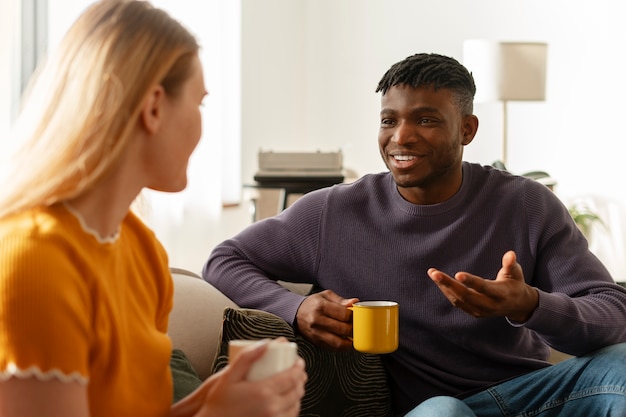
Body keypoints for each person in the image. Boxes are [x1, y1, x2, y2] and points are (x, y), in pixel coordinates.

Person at [203, 52, 626, 416]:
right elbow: (224, 260)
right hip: (432, 407)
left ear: (467, 129)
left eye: (425, 120)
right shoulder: (334, 212)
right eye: (390, 120)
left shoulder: (526, 205)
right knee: (444, 412)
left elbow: (612, 312)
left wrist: (531, 304)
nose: (401, 137)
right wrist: (294, 308)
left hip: (531, 395)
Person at [0, 1, 307, 416]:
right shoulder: (37, 262)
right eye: (198, 104)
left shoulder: (140, 249)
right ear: (154, 107)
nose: (202, 126)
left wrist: (209, 400)